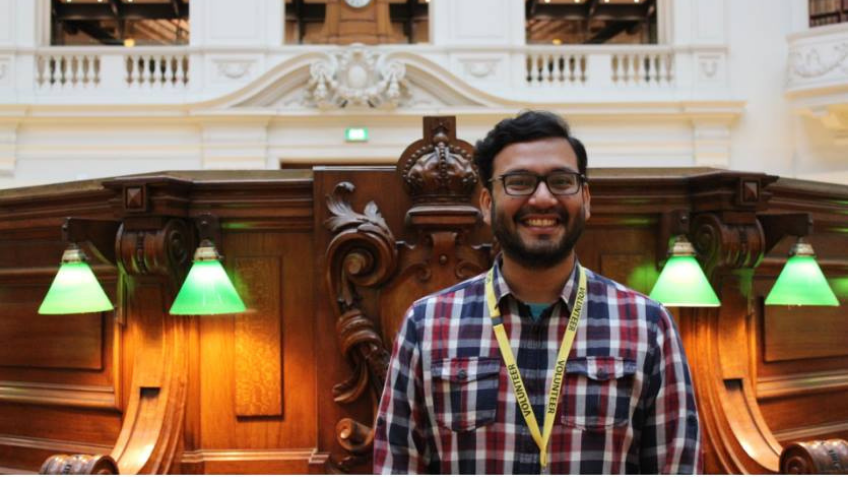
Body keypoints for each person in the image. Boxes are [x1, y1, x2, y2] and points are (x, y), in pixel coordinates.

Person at [373, 111, 702, 474]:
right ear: (486, 203)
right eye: (519, 182)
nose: (543, 199)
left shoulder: (648, 326)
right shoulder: (427, 324)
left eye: (561, 181)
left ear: (586, 199)